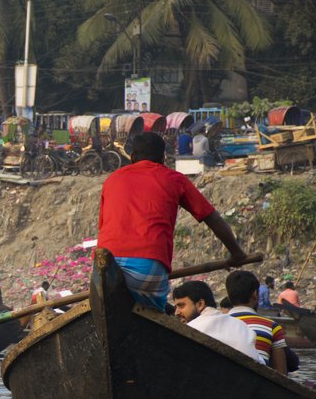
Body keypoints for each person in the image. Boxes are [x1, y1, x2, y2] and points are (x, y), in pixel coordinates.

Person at [97, 131, 247, 310]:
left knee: (113, 308)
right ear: (163, 158)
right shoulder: (175, 179)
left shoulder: (112, 179)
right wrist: (236, 253)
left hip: (103, 268)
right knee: (156, 316)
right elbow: (212, 219)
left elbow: (103, 226)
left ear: (132, 157)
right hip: (148, 268)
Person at [171, 280, 263, 363]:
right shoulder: (241, 325)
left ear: (200, 304)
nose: (176, 312)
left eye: (181, 305)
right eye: (176, 307)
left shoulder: (191, 330)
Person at [226, 270, 290, 374]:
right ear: (255, 294)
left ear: (228, 297)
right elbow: (281, 374)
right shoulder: (272, 327)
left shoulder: (218, 324)